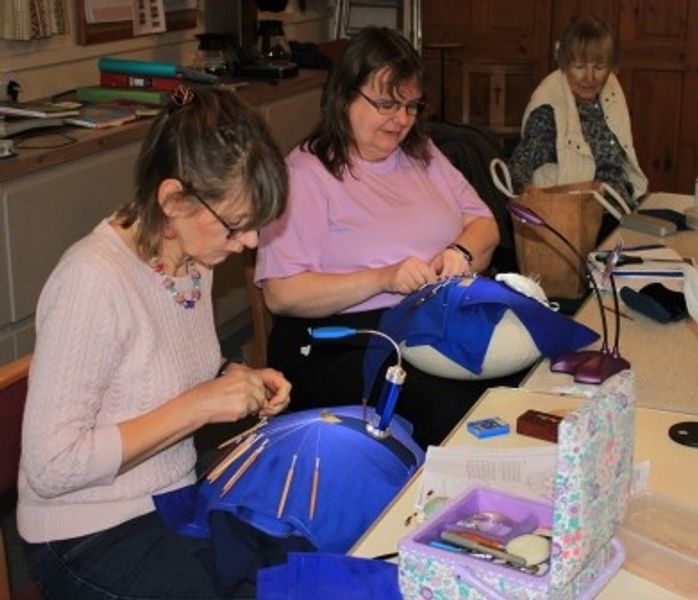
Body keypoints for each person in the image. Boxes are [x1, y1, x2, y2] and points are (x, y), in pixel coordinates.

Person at [17, 86, 291, 600]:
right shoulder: (93, 280)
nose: (251, 242)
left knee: (300, 556)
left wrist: (233, 379)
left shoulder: (191, 254)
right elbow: (51, 466)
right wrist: (199, 406)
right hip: (87, 530)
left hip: (169, 494)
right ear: (172, 200)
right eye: (238, 224)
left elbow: (154, 372)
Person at [255, 26, 501, 449]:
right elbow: (281, 294)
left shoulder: (421, 154)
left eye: (410, 105)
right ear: (344, 96)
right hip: (343, 341)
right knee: (455, 405)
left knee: (519, 375)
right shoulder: (305, 174)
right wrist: (383, 278)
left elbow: (485, 224)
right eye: (386, 103)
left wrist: (459, 252)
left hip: (427, 323)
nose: (402, 119)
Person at [507, 15, 648, 211]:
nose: (589, 78)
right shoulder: (548, 109)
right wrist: (531, 196)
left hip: (620, 207)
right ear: (564, 64)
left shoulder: (611, 91)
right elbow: (517, 168)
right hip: (576, 217)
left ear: (611, 67)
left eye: (599, 67)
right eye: (579, 67)